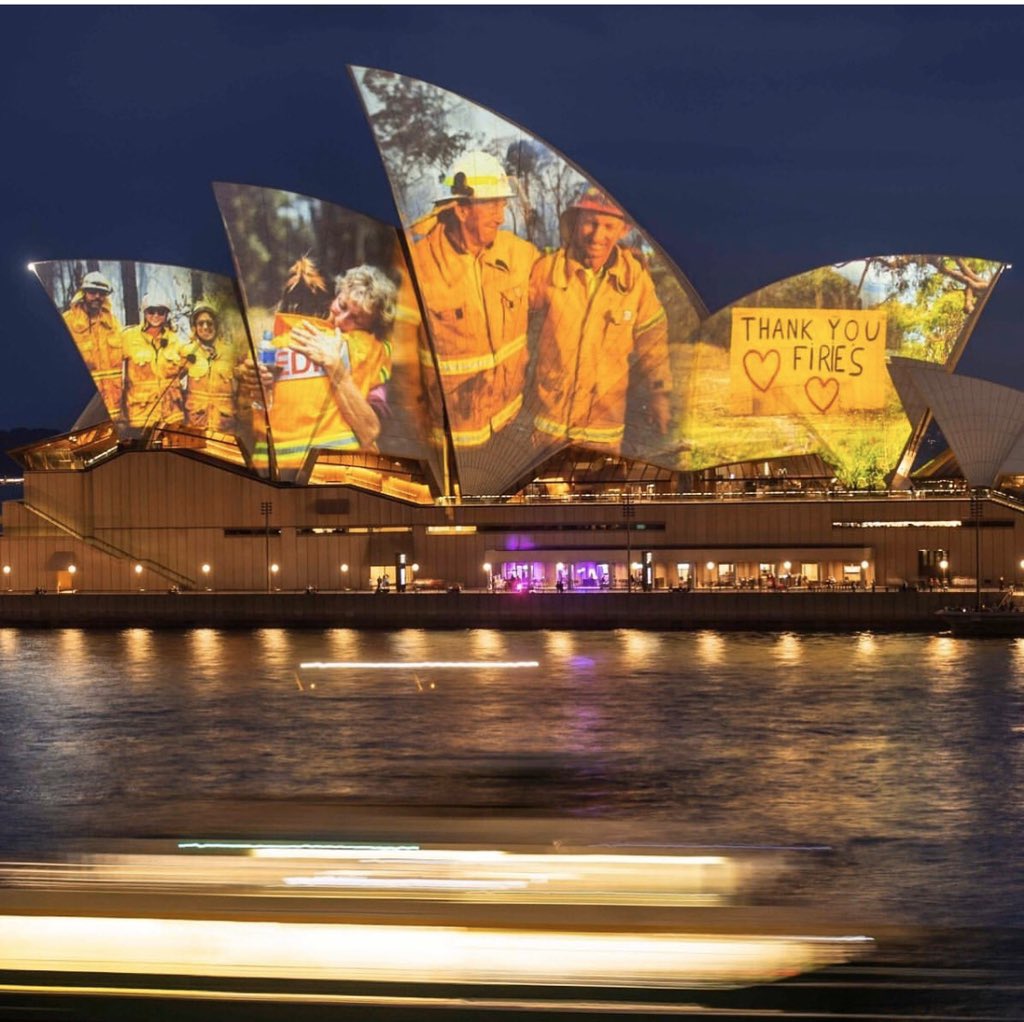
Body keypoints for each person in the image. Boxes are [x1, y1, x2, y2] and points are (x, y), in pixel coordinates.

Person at [409, 151, 538, 452]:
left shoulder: (519, 254)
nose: (501, 216)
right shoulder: (417, 265)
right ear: (462, 210)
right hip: (451, 443)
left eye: (503, 204)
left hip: (508, 424)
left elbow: (558, 282)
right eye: (492, 204)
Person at [528, 186, 670, 454]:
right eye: (590, 223)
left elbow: (655, 345)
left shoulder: (635, 282)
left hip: (603, 431)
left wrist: (659, 395)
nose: (597, 235)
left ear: (623, 230)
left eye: (607, 225)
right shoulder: (548, 270)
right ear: (576, 222)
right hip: (549, 429)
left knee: (600, 491)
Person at [257, 263, 395, 473]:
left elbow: (371, 430)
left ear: (370, 329)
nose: (341, 319)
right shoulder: (280, 339)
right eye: (342, 305)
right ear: (336, 294)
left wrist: (335, 366)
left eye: (356, 320)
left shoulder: (369, 351)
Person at [120, 292, 189, 428]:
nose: (156, 316)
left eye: (161, 312)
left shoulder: (176, 341)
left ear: (166, 314)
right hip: (140, 417)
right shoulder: (128, 337)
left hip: (172, 418)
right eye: (151, 311)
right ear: (144, 313)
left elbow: (191, 367)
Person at [62, 271, 124, 421]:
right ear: (83, 293)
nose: (97, 296)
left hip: (113, 405)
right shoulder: (67, 321)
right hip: (83, 403)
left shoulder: (113, 322)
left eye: (102, 293)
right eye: (92, 292)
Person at [182, 301, 240, 433]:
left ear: (216, 325)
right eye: (200, 323)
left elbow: (246, 385)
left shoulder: (231, 352)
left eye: (209, 323)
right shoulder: (186, 351)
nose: (205, 327)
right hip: (195, 425)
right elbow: (169, 381)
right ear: (194, 327)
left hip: (224, 427)